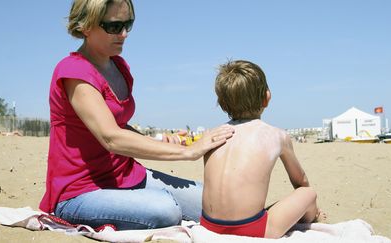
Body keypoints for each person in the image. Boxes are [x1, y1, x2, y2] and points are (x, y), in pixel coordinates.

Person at [39, 0, 235, 230]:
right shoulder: (74, 71)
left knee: (213, 201)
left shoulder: (119, 67)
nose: (123, 34)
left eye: (128, 24)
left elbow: (120, 126)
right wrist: (187, 151)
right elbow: (111, 137)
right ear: (85, 26)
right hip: (79, 192)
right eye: (113, 26)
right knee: (166, 210)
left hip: (126, 176)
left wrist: (159, 141)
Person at [201, 60, 322, 238]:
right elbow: (300, 181)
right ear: (267, 97)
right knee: (308, 193)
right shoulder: (277, 136)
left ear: (222, 104)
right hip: (250, 230)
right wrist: (310, 208)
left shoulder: (214, 135)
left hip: (209, 226)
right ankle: (313, 218)